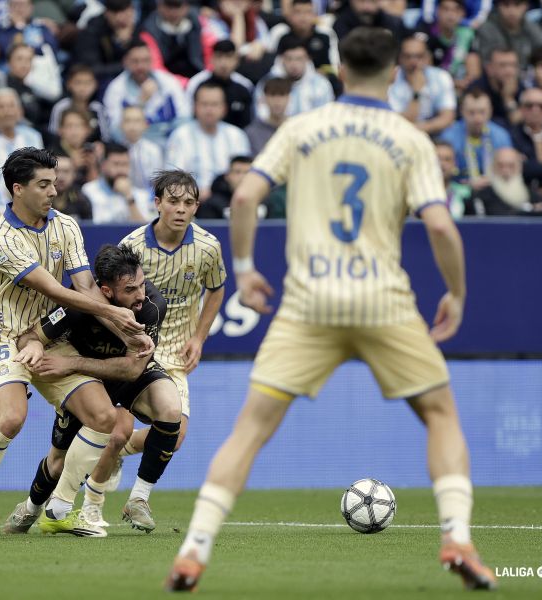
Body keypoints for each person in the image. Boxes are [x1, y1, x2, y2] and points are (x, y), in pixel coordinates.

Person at [166, 27, 497, 592]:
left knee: (250, 429)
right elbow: (440, 223)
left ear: (339, 70)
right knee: (440, 415)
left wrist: (244, 271)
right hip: (384, 303)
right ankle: (458, 537)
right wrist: (457, 293)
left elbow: (244, 196)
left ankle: (194, 551)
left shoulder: (302, 128)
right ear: (394, 73)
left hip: (309, 304)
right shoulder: (410, 137)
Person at [0, 147, 148, 541]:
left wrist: (127, 334)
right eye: (44, 184)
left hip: (55, 338)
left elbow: (84, 287)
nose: (54, 190)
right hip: (7, 337)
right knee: (12, 418)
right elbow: (55, 291)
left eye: (55, 181)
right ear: (18, 189)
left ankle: (60, 509)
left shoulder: (66, 226)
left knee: (104, 417)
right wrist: (117, 316)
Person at [2, 243, 181, 534]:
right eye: (130, 290)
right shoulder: (76, 307)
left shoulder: (150, 307)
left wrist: (72, 364)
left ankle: (139, 499)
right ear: (106, 291)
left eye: (141, 284)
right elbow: (30, 336)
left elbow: (134, 368)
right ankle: (32, 508)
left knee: (171, 408)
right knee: (57, 461)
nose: (140, 295)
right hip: (91, 384)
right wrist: (34, 344)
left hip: (119, 374)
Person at [86, 169, 226, 525]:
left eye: (189, 202)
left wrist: (198, 337)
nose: (181, 209)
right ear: (157, 203)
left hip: (175, 351)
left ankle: (135, 494)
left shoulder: (208, 248)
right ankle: (70, 502)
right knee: (113, 430)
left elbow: (217, 289)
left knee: (173, 435)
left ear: (197, 206)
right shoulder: (132, 246)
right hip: (130, 351)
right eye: (174, 201)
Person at [165, 81, 251, 202]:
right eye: (204, 104)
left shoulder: (236, 135)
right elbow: (172, 181)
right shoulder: (180, 136)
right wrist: (196, 194)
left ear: (224, 108)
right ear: (195, 107)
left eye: (215, 104)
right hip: (192, 203)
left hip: (230, 202)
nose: (209, 110)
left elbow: (245, 175)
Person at [439, 88, 513, 191]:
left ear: (490, 111)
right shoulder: (449, 137)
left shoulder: (501, 136)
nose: (477, 118)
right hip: (459, 191)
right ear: (462, 111)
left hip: (496, 189)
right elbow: (442, 174)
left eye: (482, 112)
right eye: (471, 113)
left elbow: (510, 170)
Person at [387, 35, 457, 136]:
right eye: (408, 56)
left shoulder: (441, 76)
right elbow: (397, 121)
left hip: (433, 134)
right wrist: (416, 92)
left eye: (418, 56)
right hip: (401, 134)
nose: (413, 62)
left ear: (427, 58)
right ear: (400, 58)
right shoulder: (392, 78)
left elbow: (447, 117)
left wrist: (419, 129)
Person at [0, 87, 44, 176]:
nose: (7, 112)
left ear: (20, 112)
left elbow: (39, 168)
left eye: (11, 106)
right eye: (1, 107)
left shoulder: (33, 136)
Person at [82, 142, 152, 223]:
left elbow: (143, 231)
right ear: (103, 165)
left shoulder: (140, 195)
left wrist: (129, 197)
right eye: (116, 164)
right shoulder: (89, 191)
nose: (121, 170)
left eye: (125, 164)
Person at [245, 77, 291, 155]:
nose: (277, 101)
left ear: (288, 98)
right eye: (272, 95)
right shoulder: (252, 132)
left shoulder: (296, 128)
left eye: (282, 95)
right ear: (264, 98)